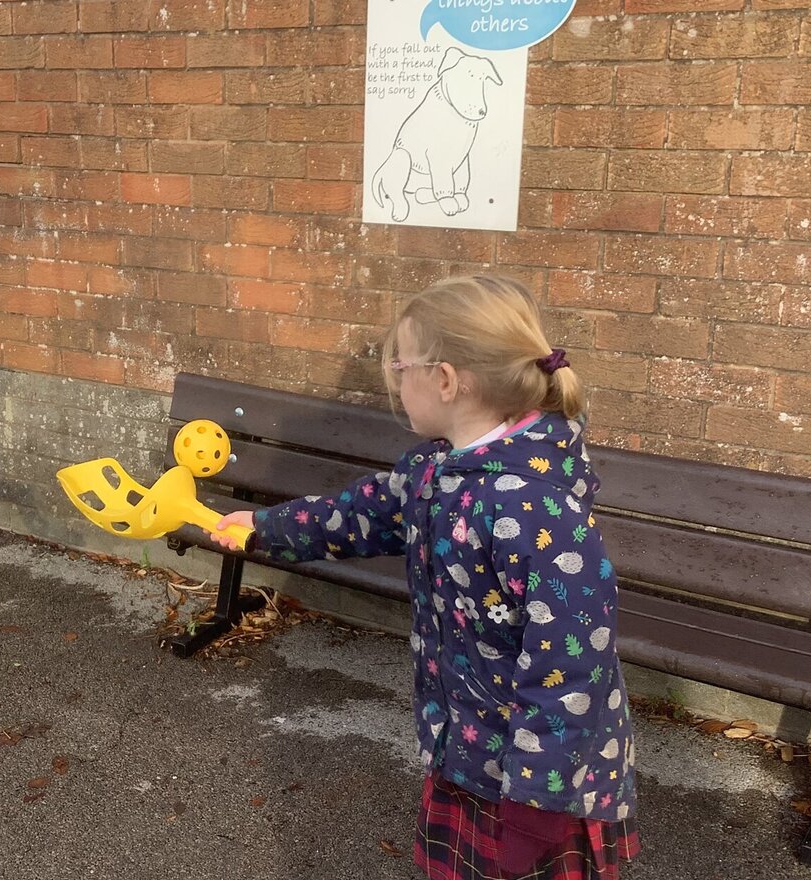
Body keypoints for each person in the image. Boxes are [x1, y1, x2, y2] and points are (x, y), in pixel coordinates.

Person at [215, 275, 639, 879]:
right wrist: (264, 526)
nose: (394, 383)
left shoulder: (534, 510)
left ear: (443, 380)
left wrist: (535, 806)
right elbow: (357, 516)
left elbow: (571, 670)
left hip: (536, 780)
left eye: (399, 367)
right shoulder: (436, 469)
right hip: (466, 742)